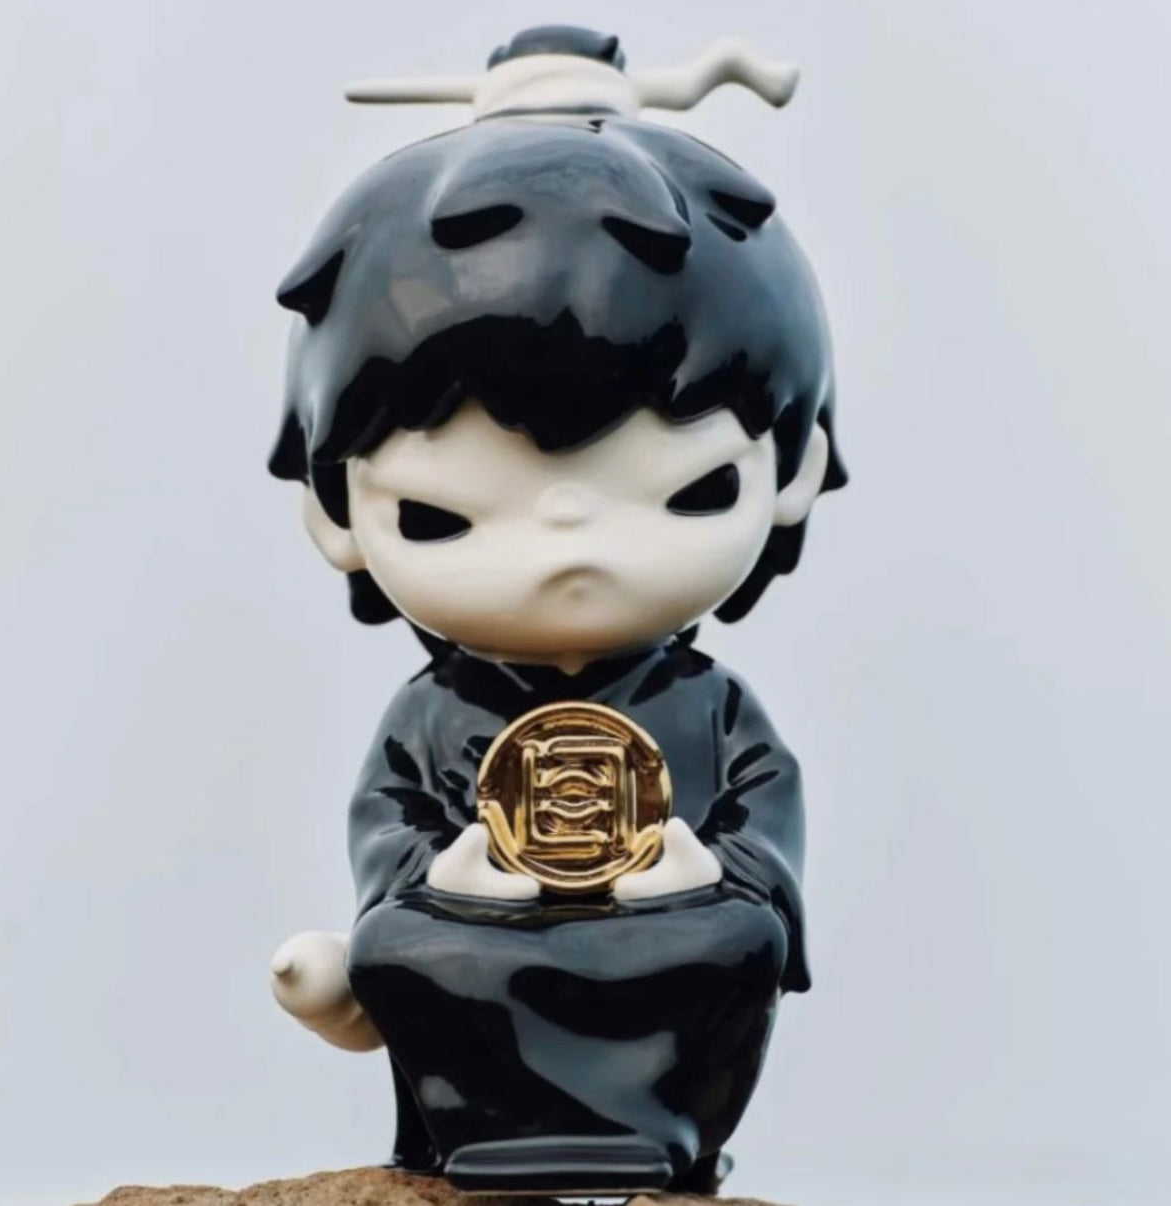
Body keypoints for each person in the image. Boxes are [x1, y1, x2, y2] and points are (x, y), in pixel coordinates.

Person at [267, 26, 846, 1195]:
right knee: (401, 944)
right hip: (475, 923)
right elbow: (390, 821)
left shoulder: (708, 708)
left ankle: (667, 1131)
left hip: (670, 919)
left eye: (689, 492)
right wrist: (446, 874)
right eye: (444, 515)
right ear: (335, 509)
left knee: (745, 940)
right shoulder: (435, 716)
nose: (568, 552)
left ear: (792, 471)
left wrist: (705, 864)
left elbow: (764, 823)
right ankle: (457, 1117)